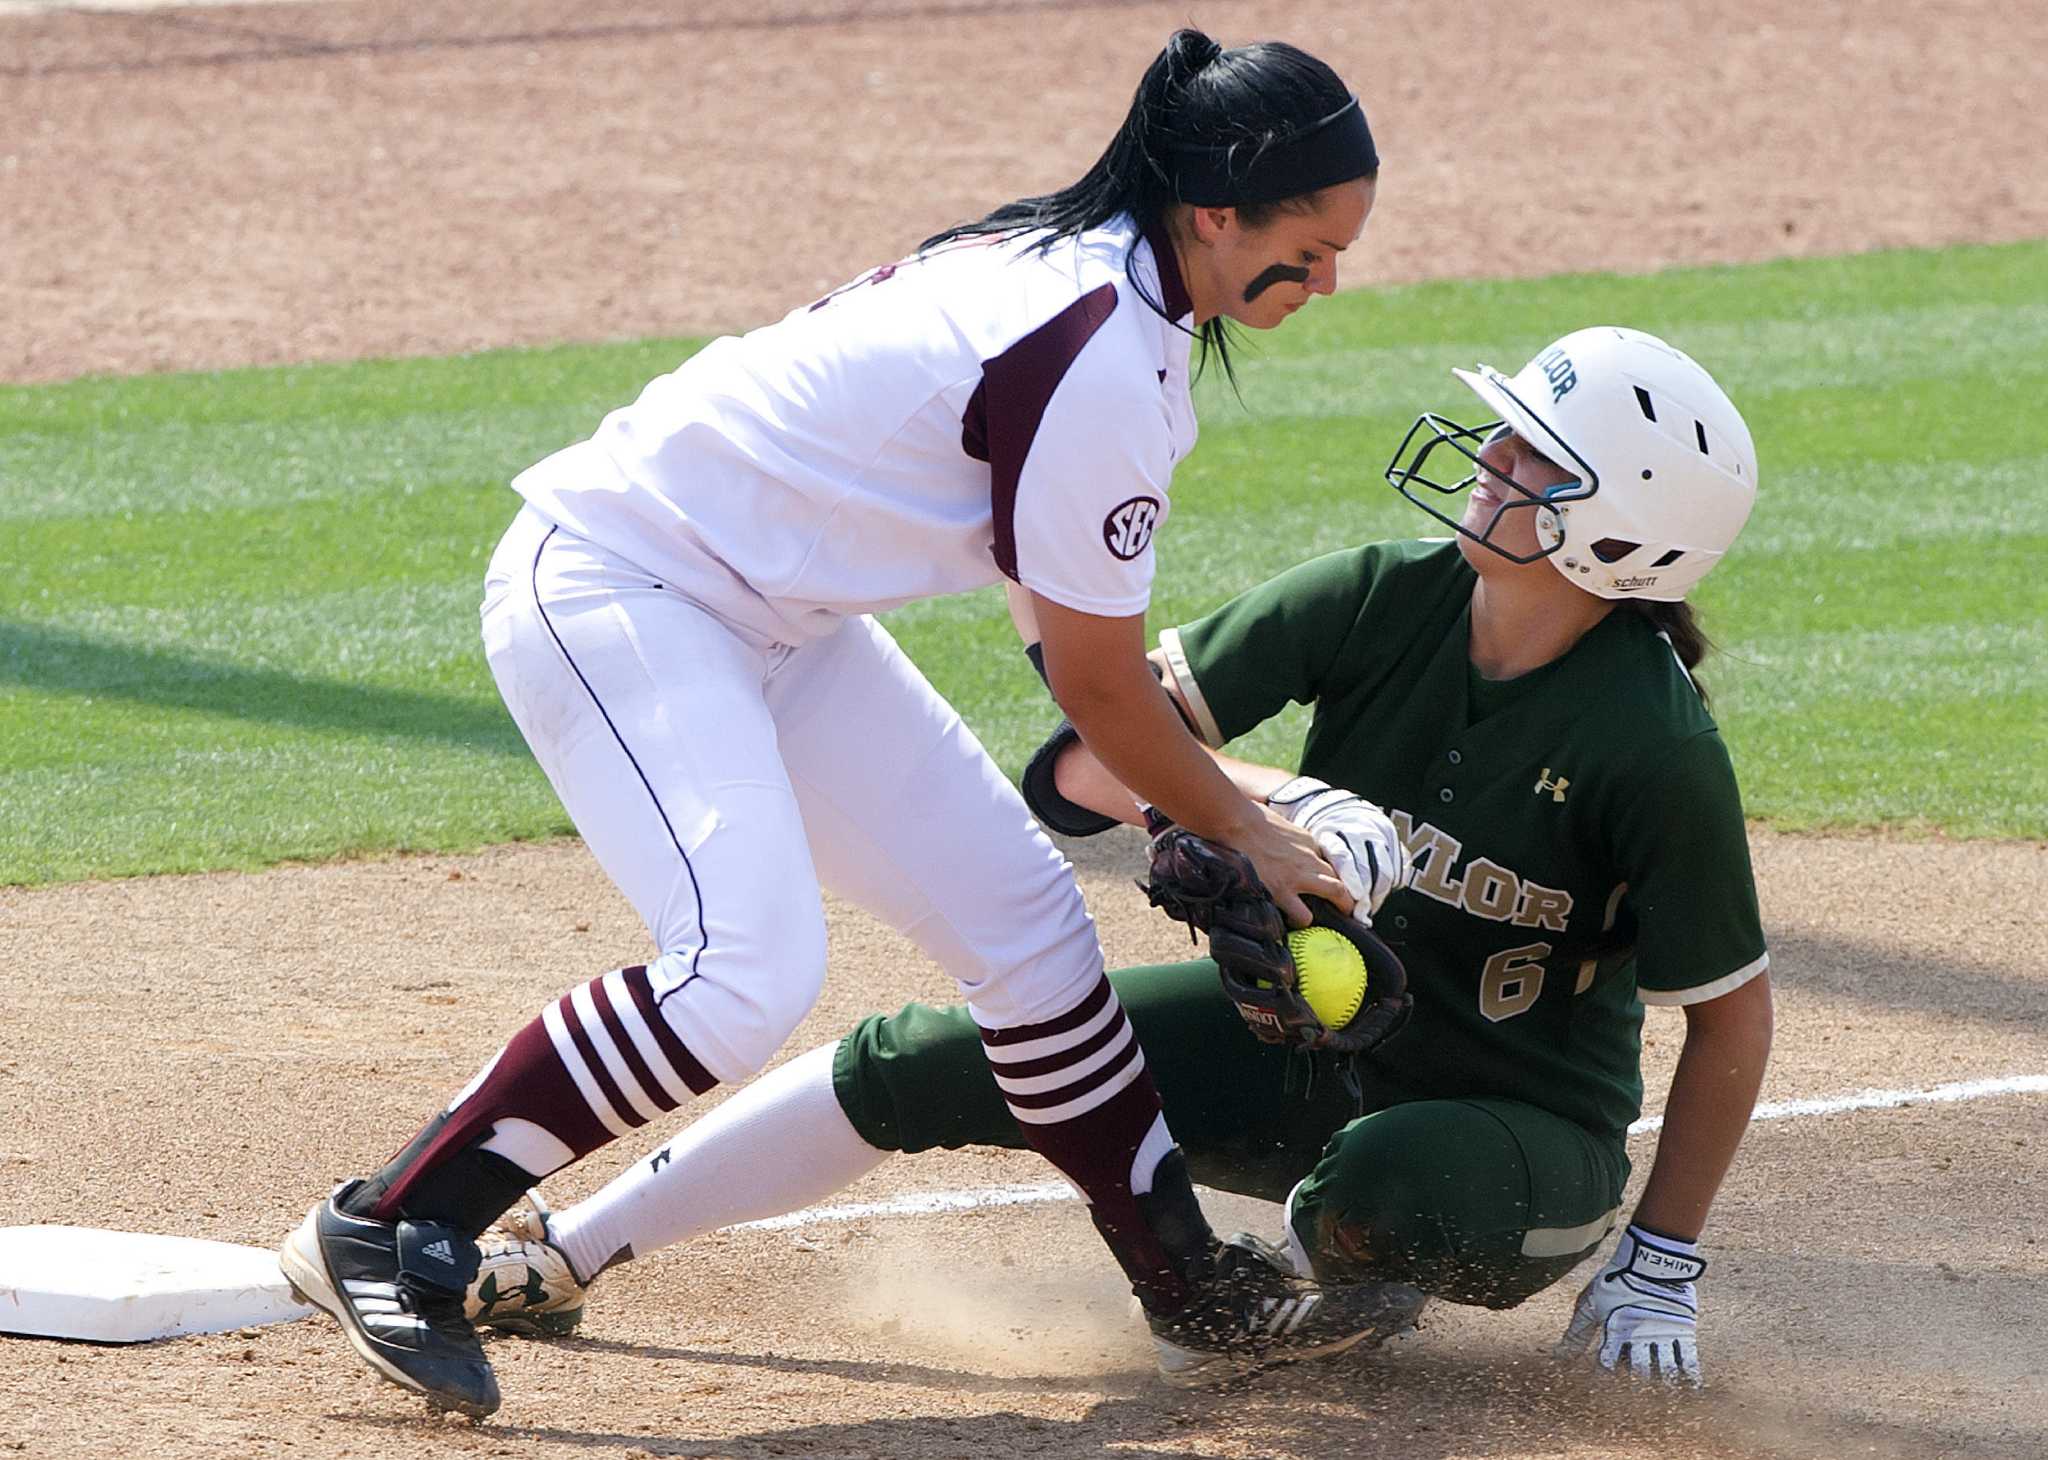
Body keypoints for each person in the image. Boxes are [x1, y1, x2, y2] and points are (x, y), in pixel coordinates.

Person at [279, 29, 1392, 1418]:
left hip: (773, 620)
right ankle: (391, 1219)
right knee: (744, 973)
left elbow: (1055, 623)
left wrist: (1186, 803)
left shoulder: (1097, 289)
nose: (1328, 278)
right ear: (1217, 211)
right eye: (1313, 244)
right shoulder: (1100, 343)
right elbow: (1101, 689)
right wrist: (1241, 821)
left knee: (1029, 929)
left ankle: (1187, 1283)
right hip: (629, 586)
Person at [462, 326, 1775, 1391]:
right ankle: (565, 1254)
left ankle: (1349, 1276)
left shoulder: (1649, 744)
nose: (1487, 460)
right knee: (939, 1058)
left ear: (1627, 533)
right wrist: (1276, 800)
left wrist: (1661, 1257)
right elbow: (1084, 767)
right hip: (1306, 1050)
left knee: (1377, 1188)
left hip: (1519, 1138)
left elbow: (1730, 1017)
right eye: (1502, 434)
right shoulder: (1385, 595)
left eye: (1534, 459)